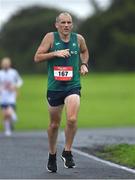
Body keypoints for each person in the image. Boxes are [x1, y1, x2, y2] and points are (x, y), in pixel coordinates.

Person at [34, 12, 89, 173]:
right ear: (56, 24)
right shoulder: (50, 38)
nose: (66, 25)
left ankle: (67, 151)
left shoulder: (78, 39)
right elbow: (37, 57)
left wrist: (84, 64)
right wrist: (55, 53)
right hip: (55, 87)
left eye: (69, 22)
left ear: (72, 25)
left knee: (72, 118)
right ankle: (52, 155)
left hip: (72, 85)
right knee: (54, 124)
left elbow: (84, 51)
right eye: (63, 22)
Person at [0, 57, 23, 136]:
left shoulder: (13, 72)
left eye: (7, 64)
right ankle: (7, 130)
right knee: (5, 114)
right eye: (4, 64)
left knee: (9, 111)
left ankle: (14, 116)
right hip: (3, 96)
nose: (5, 65)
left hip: (11, 96)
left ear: (9, 64)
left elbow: (20, 81)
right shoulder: (0, 73)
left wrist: (15, 86)